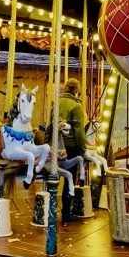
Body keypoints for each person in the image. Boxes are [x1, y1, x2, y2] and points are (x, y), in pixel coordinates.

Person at [58, 78, 87, 224]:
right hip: (71, 147)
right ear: (75, 90)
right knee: (69, 179)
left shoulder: (56, 104)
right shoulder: (76, 106)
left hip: (57, 147)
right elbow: (79, 131)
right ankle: (66, 213)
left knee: (54, 178)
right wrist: (83, 148)